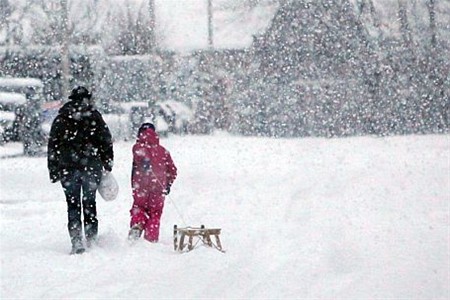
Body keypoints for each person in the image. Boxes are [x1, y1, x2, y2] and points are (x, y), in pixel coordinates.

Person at [47, 86, 114, 255]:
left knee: (73, 205)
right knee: (89, 203)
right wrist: (107, 162)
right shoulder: (94, 117)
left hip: (68, 168)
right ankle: (91, 239)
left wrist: (54, 169)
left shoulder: (61, 118)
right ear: (87, 98)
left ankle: (76, 241)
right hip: (91, 167)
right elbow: (106, 140)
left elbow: (53, 145)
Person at [128, 123, 177, 243]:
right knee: (155, 214)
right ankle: (151, 239)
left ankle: (137, 224)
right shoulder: (163, 151)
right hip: (158, 188)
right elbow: (173, 171)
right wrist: (168, 184)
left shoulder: (137, 147)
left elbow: (138, 155)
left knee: (139, 208)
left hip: (141, 187)